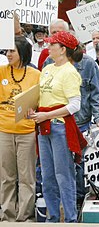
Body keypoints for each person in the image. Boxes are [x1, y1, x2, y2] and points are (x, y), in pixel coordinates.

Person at [42, 21, 99, 209]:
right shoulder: (48, 63)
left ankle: (76, 204)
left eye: (57, 35)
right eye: (51, 34)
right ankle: (59, 209)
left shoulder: (87, 63)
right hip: (54, 124)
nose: (50, 43)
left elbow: (97, 93)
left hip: (80, 122)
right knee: (55, 169)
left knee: (77, 166)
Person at [29, 31, 86, 223]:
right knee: (47, 175)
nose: (48, 47)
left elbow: (75, 105)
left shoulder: (70, 71)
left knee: (63, 175)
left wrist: (46, 114)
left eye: (53, 44)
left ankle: (69, 218)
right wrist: (33, 110)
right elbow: (42, 96)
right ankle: (53, 217)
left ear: (63, 50)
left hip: (58, 125)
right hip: (45, 124)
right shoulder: (48, 68)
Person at [0, 37, 40, 221]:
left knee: (26, 177)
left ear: (22, 53)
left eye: (12, 51)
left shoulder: (35, 74)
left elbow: (41, 100)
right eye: (7, 51)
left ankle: (25, 217)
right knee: (6, 176)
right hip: (4, 130)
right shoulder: (1, 72)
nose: (8, 54)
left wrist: (35, 107)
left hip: (27, 131)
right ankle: (6, 216)